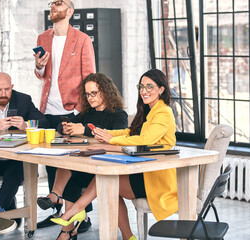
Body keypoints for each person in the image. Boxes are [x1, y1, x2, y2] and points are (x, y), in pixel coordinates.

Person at [50, 69, 177, 240]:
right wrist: (105, 134)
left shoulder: (163, 112)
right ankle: (128, 237)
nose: (144, 91)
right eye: (141, 87)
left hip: (156, 179)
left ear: (161, 90)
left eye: (149, 87)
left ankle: (76, 210)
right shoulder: (149, 110)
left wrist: (111, 139)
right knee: (107, 184)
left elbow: (145, 139)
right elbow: (129, 132)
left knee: (105, 181)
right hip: (146, 171)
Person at [36, 72, 128, 240]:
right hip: (87, 166)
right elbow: (63, 124)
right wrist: (65, 127)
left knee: (70, 171)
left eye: (94, 93)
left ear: (106, 91)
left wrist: (84, 130)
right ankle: (67, 229)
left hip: (105, 167)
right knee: (67, 167)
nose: (90, 97)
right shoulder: (88, 113)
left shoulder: (118, 114)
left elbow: (117, 136)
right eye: (87, 94)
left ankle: (63, 215)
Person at [33, 0, 96, 228]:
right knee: (52, 162)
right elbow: (41, 75)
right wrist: (39, 66)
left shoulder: (82, 39)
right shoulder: (42, 38)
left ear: (69, 11)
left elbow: (90, 77)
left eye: (59, 3)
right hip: (48, 109)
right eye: (52, 3)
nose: (53, 6)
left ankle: (82, 216)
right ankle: (57, 209)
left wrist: (79, 110)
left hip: (72, 110)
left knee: (74, 163)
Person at [0, 72, 49, 227]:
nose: (4, 94)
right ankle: (5, 204)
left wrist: (26, 124)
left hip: (15, 159)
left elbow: (44, 122)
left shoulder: (23, 100)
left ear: (12, 87)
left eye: (7, 89)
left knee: (11, 181)